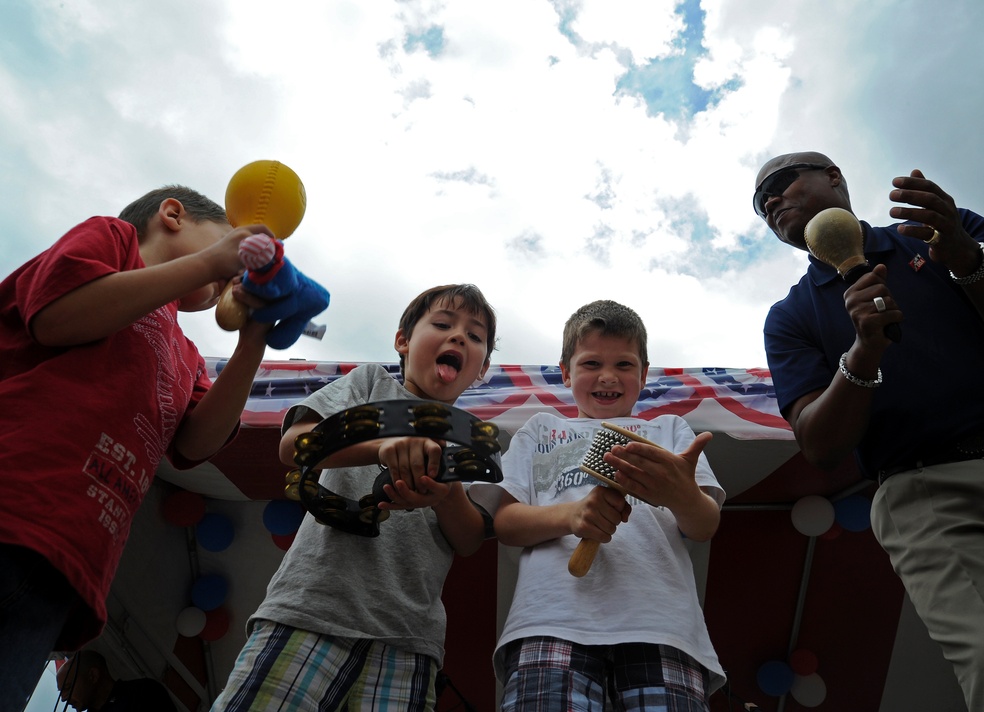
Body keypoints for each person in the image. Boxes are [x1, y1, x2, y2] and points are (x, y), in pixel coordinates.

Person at [0, 185, 278, 709]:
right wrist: (210, 263)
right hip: (12, 509)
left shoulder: (188, 354)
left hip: (69, 565)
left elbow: (197, 441)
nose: (230, 271)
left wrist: (253, 342)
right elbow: (57, 316)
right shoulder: (113, 238)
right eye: (224, 244)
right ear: (171, 214)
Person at [757, 151, 984, 710]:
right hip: (926, 497)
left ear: (834, 178)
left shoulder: (938, 232)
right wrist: (862, 355)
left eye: (781, 183)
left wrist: (965, 254)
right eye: (760, 204)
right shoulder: (790, 316)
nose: (769, 201)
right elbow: (819, 445)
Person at [212, 284, 498, 711]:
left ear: (482, 369)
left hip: (408, 639)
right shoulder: (370, 382)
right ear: (402, 340)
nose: (458, 337)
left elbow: (470, 538)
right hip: (310, 609)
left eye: (475, 336)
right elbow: (295, 446)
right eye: (442, 324)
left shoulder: (472, 438)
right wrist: (381, 446)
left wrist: (444, 490)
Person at [471, 300, 726, 711]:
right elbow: (505, 524)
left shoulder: (669, 430)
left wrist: (682, 496)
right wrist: (572, 515)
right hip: (549, 621)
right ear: (566, 371)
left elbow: (704, 525)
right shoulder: (540, 430)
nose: (607, 376)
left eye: (624, 365)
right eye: (591, 364)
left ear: (644, 374)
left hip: (663, 626)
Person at [56, 650, 176, 712]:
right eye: (61, 692)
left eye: (67, 687)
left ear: (93, 676)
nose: (63, 698)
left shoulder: (144, 692)